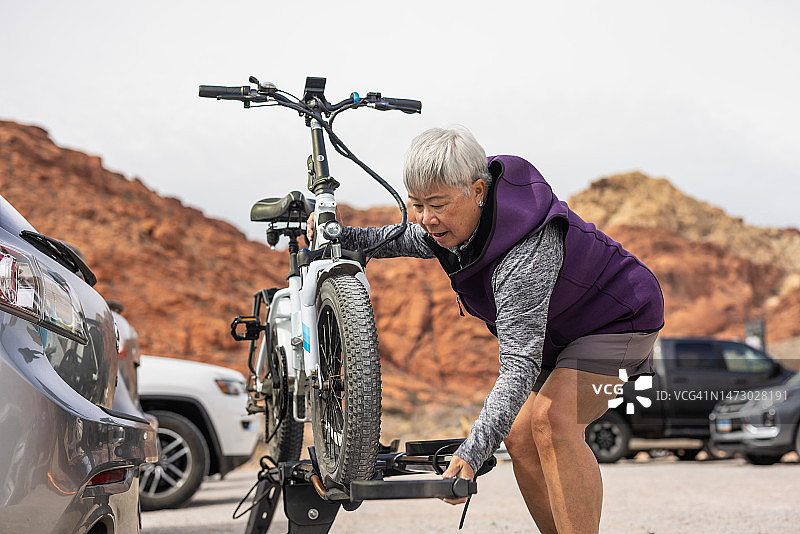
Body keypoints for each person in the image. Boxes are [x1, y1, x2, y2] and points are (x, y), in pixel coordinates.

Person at [307, 126, 664, 534]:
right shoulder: (451, 226)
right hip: (562, 332)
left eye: (437, 205)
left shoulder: (523, 254)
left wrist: (472, 453)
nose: (428, 219)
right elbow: (406, 238)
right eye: (418, 204)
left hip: (622, 320)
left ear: (478, 190)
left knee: (554, 420)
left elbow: (519, 366)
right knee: (519, 437)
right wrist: (341, 239)